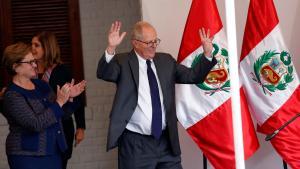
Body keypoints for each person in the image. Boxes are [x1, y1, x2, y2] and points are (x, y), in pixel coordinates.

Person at [97, 21, 217, 169]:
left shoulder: (166, 61)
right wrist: (111, 48)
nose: (154, 45)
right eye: (149, 42)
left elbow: (193, 76)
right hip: (136, 145)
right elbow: (104, 73)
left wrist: (207, 54)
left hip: (166, 142)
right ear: (135, 43)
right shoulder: (122, 62)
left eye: (155, 41)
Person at [1, 42, 85, 169]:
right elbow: (35, 124)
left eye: (34, 61)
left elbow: (59, 115)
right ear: (15, 67)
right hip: (27, 156)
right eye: (30, 62)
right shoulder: (12, 95)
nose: (35, 65)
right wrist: (60, 102)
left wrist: (69, 98)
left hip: (53, 152)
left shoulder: (41, 85)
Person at [31, 31, 86, 169]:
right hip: (37, 129)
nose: (32, 48)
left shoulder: (63, 71)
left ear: (47, 47)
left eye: (36, 45)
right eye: (31, 45)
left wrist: (80, 127)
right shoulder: (29, 70)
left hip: (61, 128)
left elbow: (77, 100)